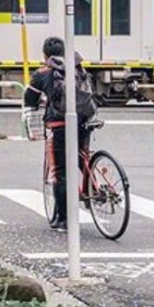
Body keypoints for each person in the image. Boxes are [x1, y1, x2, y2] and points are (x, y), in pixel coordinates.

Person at [23, 35, 94, 230]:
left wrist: (37, 104)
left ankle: (63, 219)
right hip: (84, 121)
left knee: (60, 172)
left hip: (58, 125)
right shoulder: (78, 67)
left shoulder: (43, 73)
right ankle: (94, 185)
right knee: (81, 157)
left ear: (45, 55)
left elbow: (30, 99)